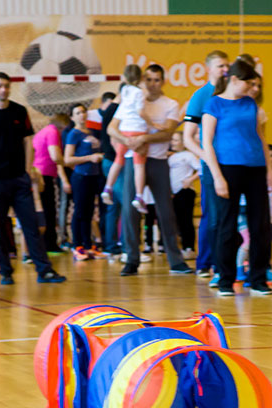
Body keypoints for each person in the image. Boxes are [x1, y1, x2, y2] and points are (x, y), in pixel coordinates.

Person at [0, 72, 65, 285]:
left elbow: (28, 141)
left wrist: (28, 170)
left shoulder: (19, 111)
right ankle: (5, 272)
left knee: (31, 226)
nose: (3, 89)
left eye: (6, 86)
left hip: (19, 179)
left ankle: (44, 270)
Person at [108, 64, 191, 277]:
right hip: (133, 160)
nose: (152, 84)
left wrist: (143, 138)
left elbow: (167, 133)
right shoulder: (132, 99)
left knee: (166, 212)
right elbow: (111, 128)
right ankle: (131, 259)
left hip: (157, 161)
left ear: (163, 81)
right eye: (149, 79)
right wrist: (128, 140)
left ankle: (176, 261)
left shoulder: (170, 104)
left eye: (157, 80)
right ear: (142, 81)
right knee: (130, 211)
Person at [199, 59, 272, 295]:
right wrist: (217, 176)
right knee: (226, 225)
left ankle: (258, 279)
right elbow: (207, 143)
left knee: (260, 224)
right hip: (227, 169)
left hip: (255, 168)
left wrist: (269, 171)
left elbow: (261, 138)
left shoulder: (251, 105)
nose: (252, 88)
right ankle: (225, 280)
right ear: (233, 79)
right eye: (248, 83)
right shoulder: (214, 104)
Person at [183, 50, 230, 278]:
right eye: (220, 66)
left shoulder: (232, 94)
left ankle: (229, 264)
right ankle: (205, 263)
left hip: (233, 164)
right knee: (211, 216)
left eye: (227, 66)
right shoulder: (201, 96)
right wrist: (207, 158)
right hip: (211, 167)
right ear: (209, 69)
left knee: (230, 216)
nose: (225, 70)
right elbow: (188, 137)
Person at [102, 65, 159, 213]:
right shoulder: (139, 92)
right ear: (141, 78)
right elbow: (140, 112)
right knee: (139, 165)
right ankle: (139, 196)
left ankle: (107, 188)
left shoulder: (125, 90)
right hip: (137, 130)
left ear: (125, 77)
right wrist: (152, 124)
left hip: (124, 130)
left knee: (118, 160)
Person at [63, 103, 105, 261]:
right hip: (81, 176)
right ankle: (77, 246)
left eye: (83, 112)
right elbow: (68, 159)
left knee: (89, 212)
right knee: (79, 211)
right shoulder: (73, 134)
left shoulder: (91, 132)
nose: (82, 115)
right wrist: (89, 158)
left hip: (93, 176)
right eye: (78, 113)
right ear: (72, 117)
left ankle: (88, 245)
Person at [32, 112, 70, 253]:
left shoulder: (44, 131)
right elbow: (55, 155)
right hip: (44, 175)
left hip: (40, 172)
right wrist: (67, 162)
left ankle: (46, 243)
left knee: (46, 209)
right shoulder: (53, 132)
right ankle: (49, 244)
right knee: (48, 210)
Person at [97, 92, 122, 256]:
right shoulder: (115, 110)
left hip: (111, 160)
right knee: (117, 205)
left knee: (115, 206)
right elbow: (114, 139)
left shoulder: (111, 110)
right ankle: (114, 245)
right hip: (113, 160)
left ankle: (113, 244)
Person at [167, 132, 200, 257]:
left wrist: (190, 180)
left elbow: (200, 168)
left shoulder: (189, 155)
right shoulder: (171, 158)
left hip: (185, 192)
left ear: (183, 142)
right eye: (172, 140)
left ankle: (189, 248)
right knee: (178, 221)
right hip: (174, 193)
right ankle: (182, 246)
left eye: (175, 140)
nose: (172, 143)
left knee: (186, 220)